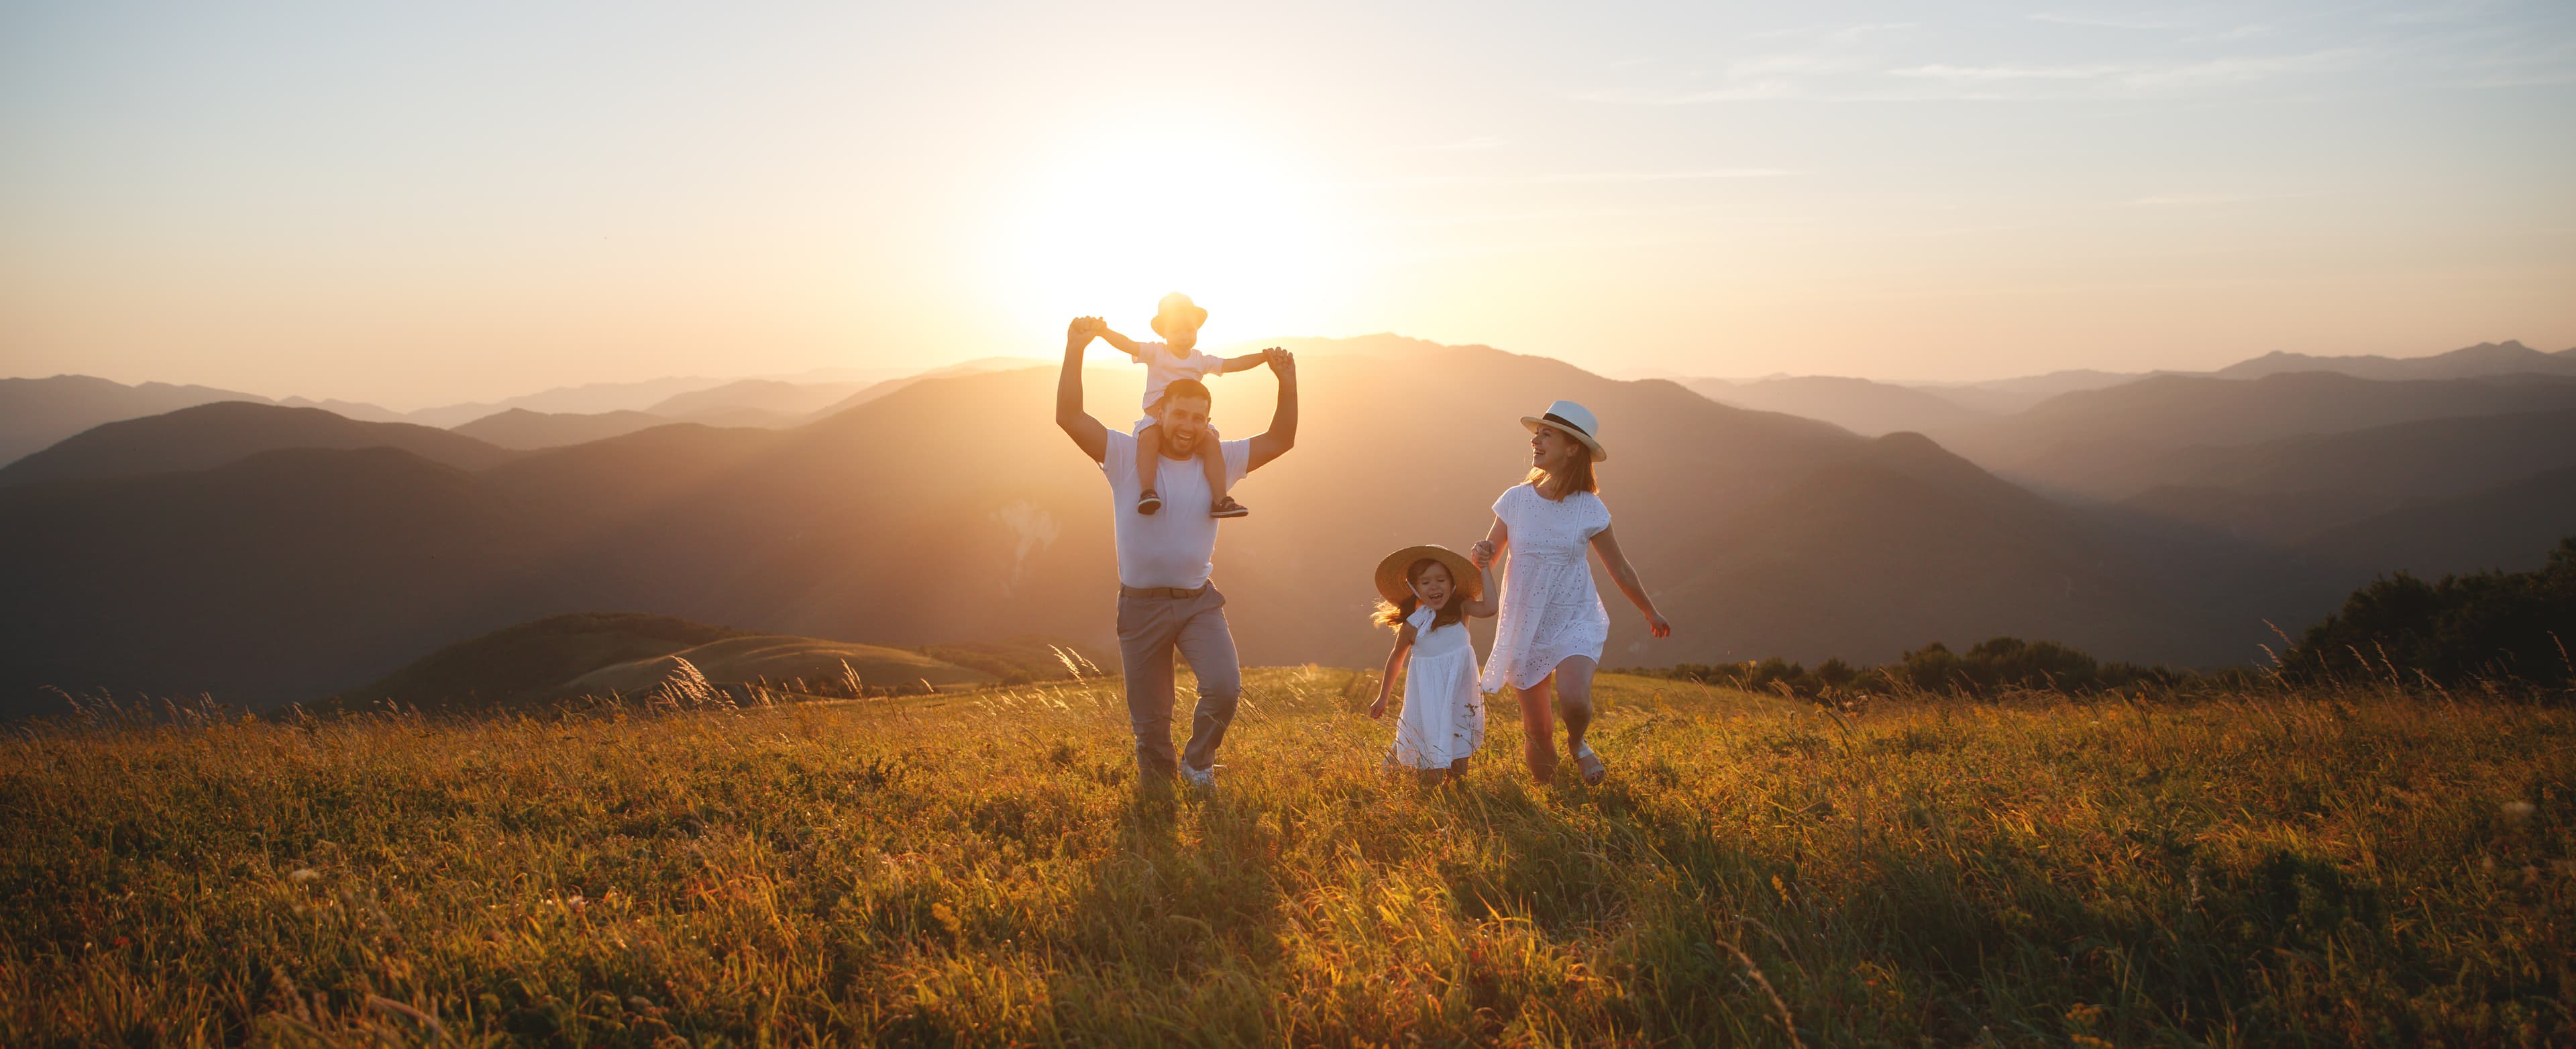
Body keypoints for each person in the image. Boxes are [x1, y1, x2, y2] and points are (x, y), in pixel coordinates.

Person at [1057, 315, 1297, 787]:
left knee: (1224, 689)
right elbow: (1070, 416)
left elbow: (1281, 440)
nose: (1188, 426)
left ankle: (1198, 763)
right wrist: (1076, 349)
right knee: (1150, 726)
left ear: (1208, 423)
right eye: (1180, 415)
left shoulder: (1221, 459)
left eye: (1198, 418)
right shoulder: (1126, 456)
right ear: (1160, 414)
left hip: (1197, 603)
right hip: (1140, 607)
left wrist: (1286, 383)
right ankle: (1160, 794)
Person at [1470, 400, 1672, 786]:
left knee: (1575, 700)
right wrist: (1477, 560)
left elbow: (1620, 568)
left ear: (1573, 449)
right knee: (1538, 730)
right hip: (1525, 622)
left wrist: (1650, 611)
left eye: (1547, 435)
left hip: (1574, 616)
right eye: (1537, 434)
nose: (1536, 441)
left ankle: (1578, 743)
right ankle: (1552, 797)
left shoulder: (1589, 508)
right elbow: (1488, 557)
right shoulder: (1515, 500)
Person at [1087, 293, 1273, 517]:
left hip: (1187, 422)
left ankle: (1220, 499)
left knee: (1212, 444)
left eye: (1189, 330)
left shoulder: (1200, 360)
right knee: (1149, 440)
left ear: (1197, 331)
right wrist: (1104, 332)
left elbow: (1232, 364)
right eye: (1176, 331)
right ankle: (1147, 491)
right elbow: (1129, 345)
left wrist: (1264, 357)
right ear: (1164, 333)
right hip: (1155, 419)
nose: (1184, 336)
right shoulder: (1156, 352)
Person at [1366, 544, 1497, 786]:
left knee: (1459, 765)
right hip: (1429, 699)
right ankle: (1405, 774)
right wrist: (1383, 697)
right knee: (1431, 772)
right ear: (1414, 589)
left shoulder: (1461, 610)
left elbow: (1490, 608)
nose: (1434, 587)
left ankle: (1457, 795)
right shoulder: (1413, 626)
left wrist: (1485, 568)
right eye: (1426, 582)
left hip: (1459, 693)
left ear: (1452, 583)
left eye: (1441, 580)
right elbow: (1396, 658)